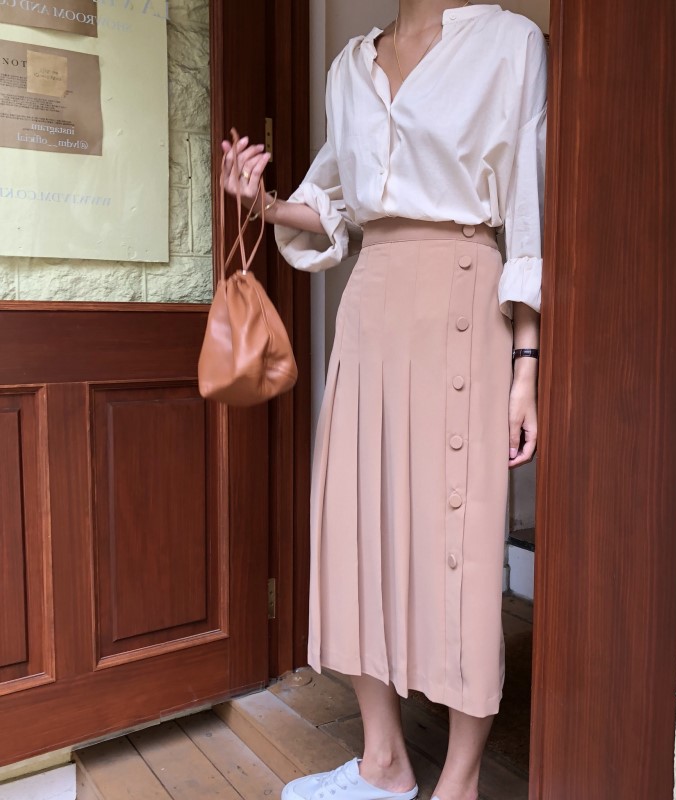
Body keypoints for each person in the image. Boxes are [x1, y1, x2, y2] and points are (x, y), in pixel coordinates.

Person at [222, 2, 546, 798]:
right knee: (356, 522)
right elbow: (331, 199)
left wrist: (526, 366)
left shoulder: (508, 42)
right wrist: (263, 203)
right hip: (371, 306)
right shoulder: (349, 67)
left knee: (461, 536)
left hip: (464, 297)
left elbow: (529, 213)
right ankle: (384, 761)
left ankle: (460, 779)